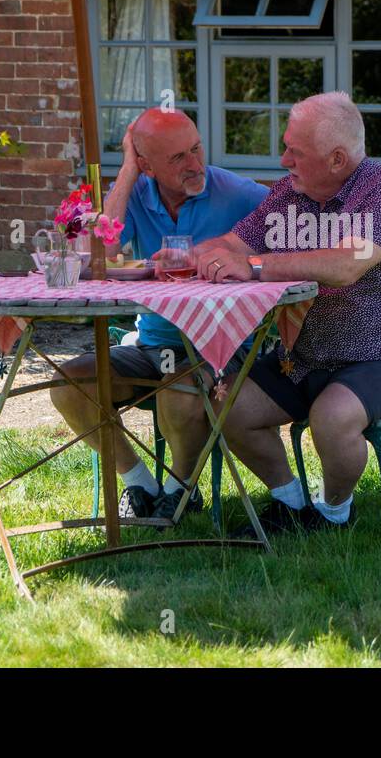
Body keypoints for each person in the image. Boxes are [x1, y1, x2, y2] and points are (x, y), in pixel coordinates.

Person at [193, 91, 381, 534]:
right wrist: (194, 254)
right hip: (311, 357)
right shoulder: (289, 195)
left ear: (336, 159)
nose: (283, 161)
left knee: (331, 418)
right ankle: (292, 504)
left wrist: (253, 267)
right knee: (227, 406)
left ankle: (334, 513)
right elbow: (235, 244)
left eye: (295, 151)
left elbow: (343, 265)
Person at [48, 107, 268, 521]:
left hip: (218, 348)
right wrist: (129, 172)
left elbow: (287, 241)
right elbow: (95, 255)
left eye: (196, 149)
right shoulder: (135, 193)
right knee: (69, 383)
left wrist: (240, 260)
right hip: (152, 344)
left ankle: (178, 491)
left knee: (178, 389)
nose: (195, 164)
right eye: (178, 158)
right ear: (147, 164)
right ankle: (139, 483)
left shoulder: (237, 193)